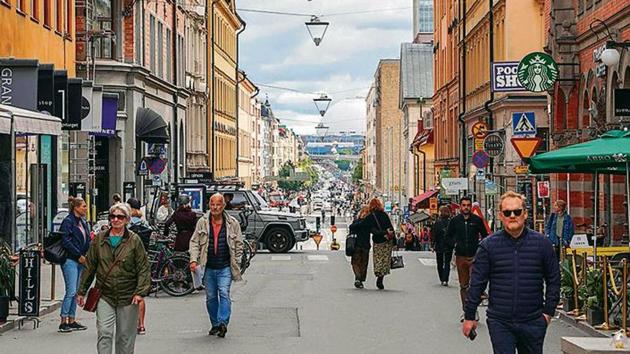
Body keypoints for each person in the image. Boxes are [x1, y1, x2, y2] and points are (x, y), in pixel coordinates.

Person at [462, 191, 560, 353]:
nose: (512, 216)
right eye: (507, 212)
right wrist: (469, 316)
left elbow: (553, 279)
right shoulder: (488, 246)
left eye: (517, 211)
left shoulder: (542, 244)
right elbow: (477, 284)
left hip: (533, 320)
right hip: (500, 321)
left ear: (525, 214)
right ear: (501, 215)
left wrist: (548, 313)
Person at [77, 203, 151, 354]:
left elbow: (143, 267)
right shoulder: (99, 240)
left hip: (128, 295)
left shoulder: (134, 240)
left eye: (120, 217)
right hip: (105, 294)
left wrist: (140, 292)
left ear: (127, 220)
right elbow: (90, 266)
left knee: (125, 337)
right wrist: (81, 291)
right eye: (113, 216)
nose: (116, 219)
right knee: (104, 332)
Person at [189, 193, 243, 338]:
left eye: (218, 204)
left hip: (225, 266)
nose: (215, 207)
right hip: (208, 267)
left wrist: (236, 262)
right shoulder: (202, 222)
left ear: (223, 206)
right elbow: (194, 242)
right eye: (212, 204)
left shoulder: (232, 223)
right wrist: (193, 260)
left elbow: (239, 244)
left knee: (224, 293)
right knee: (211, 297)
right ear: (209, 205)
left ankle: (223, 323)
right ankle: (215, 324)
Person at [447, 196, 489, 321]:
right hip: (460, 256)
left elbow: (485, 236)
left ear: (471, 207)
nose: (466, 207)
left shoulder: (476, 220)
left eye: (468, 205)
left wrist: (481, 249)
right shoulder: (455, 221)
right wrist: (454, 244)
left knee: (474, 284)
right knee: (464, 285)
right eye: (464, 205)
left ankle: (473, 309)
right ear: (460, 207)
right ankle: (466, 311)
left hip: (474, 256)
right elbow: (448, 236)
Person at [58, 196, 90, 333]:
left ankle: (72, 319)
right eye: (83, 206)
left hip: (81, 259)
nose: (86, 208)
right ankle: (63, 320)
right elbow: (65, 241)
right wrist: (78, 255)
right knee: (71, 291)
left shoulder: (82, 221)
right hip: (71, 259)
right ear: (76, 208)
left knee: (76, 292)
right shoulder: (68, 221)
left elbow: (86, 238)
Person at [355, 197, 395, 290]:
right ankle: (380, 278)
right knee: (385, 260)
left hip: (377, 241)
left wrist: (353, 225)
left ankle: (378, 273)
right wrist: (395, 242)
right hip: (387, 241)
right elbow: (391, 227)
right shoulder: (384, 215)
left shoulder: (370, 216)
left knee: (378, 259)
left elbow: (361, 224)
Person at [164, 195, 202, 289]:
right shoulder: (192, 214)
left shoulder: (176, 214)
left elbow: (167, 224)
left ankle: (180, 280)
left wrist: (166, 234)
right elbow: (196, 227)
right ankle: (193, 280)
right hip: (191, 237)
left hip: (180, 238)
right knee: (192, 259)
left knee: (179, 260)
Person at [126, 198, 151, 335]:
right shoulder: (144, 223)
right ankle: (141, 324)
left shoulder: (127, 225)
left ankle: (128, 323)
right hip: (142, 261)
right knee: (139, 295)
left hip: (128, 262)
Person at [348, 206, 371, 289]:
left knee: (355, 262)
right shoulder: (369, 223)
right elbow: (374, 231)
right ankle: (361, 279)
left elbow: (351, 228)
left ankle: (358, 278)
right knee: (364, 263)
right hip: (365, 245)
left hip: (356, 244)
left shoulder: (356, 221)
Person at [431, 206, 454, 287]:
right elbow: (453, 234)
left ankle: (441, 278)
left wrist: (433, 245)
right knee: (447, 263)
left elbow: (434, 235)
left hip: (439, 245)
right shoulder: (451, 222)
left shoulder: (437, 222)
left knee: (439, 263)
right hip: (449, 245)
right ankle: (445, 279)